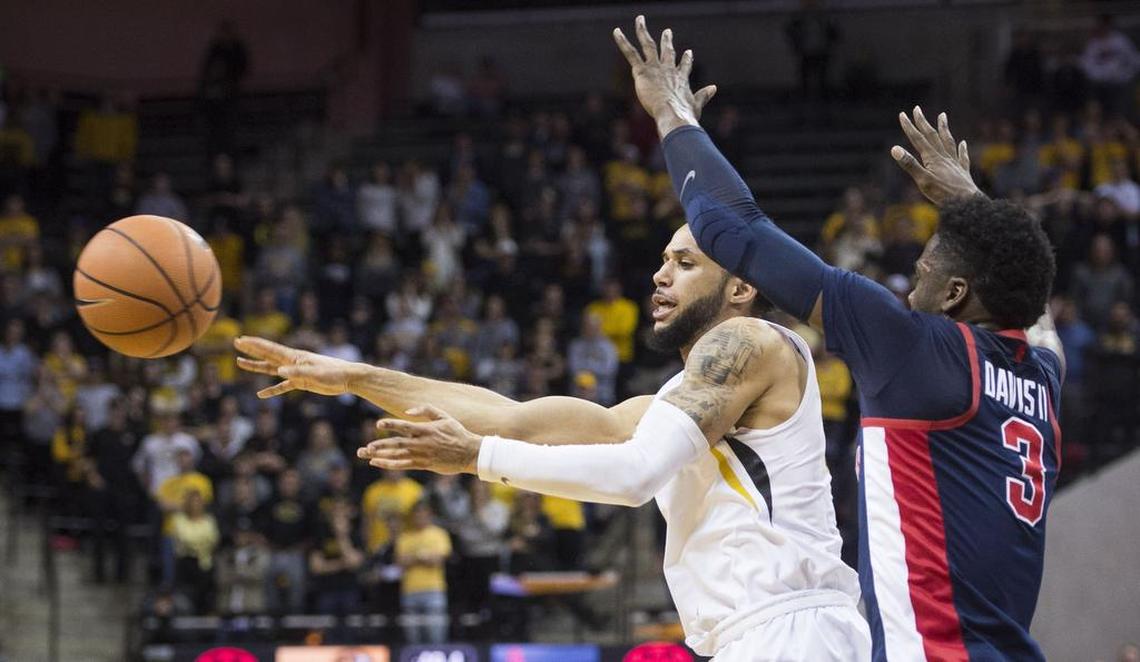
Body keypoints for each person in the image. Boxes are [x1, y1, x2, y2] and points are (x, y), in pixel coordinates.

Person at [605, 16, 1063, 661]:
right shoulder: (1042, 375)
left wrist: (672, 115)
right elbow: (1035, 302)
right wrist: (971, 204)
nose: (911, 288)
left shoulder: (914, 350)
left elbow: (732, 228)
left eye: (926, 273)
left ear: (957, 296)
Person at [235, 241, 869, 656]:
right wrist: (355, 377)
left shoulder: (754, 341)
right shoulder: (669, 408)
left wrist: (474, 457)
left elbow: (632, 477)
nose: (659, 272)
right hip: (750, 636)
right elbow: (513, 420)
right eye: (663, 260)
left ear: (740, 287)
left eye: (685, 262)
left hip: (792, 629)